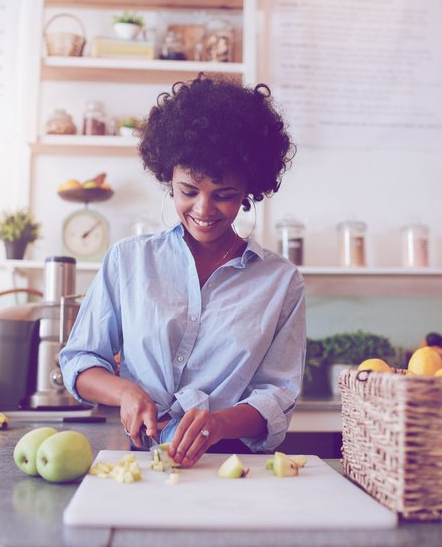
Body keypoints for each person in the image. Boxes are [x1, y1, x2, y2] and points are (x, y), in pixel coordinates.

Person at [59, 74, 304, 468]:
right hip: (141, 463)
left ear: (248, 193)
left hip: (234, 465)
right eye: (188, 190)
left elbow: (277, 393)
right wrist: (125, 392)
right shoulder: (128, 261)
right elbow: (80, 360)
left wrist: (220, 424)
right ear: (168, 180)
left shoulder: (281, 282)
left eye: (223, 196)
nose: (204, 210)